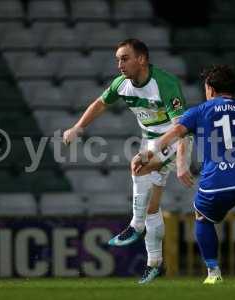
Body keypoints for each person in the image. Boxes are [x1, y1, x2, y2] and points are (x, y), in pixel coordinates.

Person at [136, 64, 235, 284]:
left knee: (203, 218)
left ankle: (213, 272)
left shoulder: (199, 111)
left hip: (215, 183)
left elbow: (173, 135)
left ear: (210, 88)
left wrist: (146, 154)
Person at [63, 38, 192, 284]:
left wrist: (183, 161)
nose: (119, 65)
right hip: (151, 141)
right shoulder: (122, 84)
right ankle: (155, 264)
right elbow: (100, 103)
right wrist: (78, 127)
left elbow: (181, 129)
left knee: (139, 165)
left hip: (174, 139)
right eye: (118, 60)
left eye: (125, 58)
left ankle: (135, 224)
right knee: (153, 207)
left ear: (141, 59)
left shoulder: (164, 84)